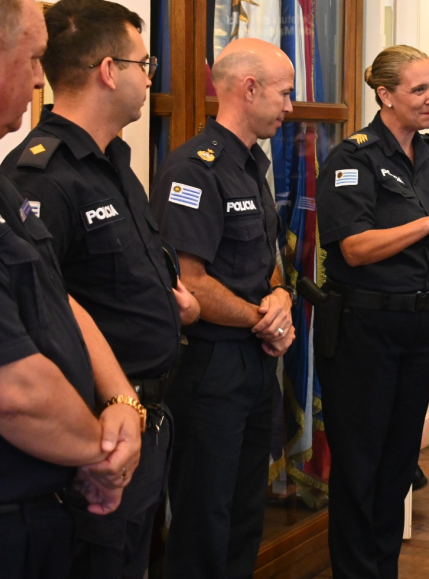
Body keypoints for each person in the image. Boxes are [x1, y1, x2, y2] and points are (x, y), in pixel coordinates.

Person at [1, 0, 200, 579]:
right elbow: (39, 316)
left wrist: (172, 307)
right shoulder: (43, 177)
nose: (148, 79)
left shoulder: (113, 163)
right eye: (146, 64)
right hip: (97, 429)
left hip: (147, 416)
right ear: (110, 71)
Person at [0, 0, 143, 579]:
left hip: (46, 505)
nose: (43, 79)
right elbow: (9, 388)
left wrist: (122, 397)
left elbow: (55, 295)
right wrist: (103, 453)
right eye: (36, 59)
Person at [315, 44, 429, 578]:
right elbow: (354, 248)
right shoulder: (353, 158)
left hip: (420, 324)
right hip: (363, 328)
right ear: (384, 94)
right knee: (360, 469)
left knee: (397, 467)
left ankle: (383, 570)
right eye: (420, 89)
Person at [150, 37, 297, 578]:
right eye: (283, 94)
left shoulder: (250, 166)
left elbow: (267, 258)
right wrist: (266, 319)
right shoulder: (194, 169)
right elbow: (191, 282)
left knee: (243, 513)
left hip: (256, 363)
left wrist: (280, 296)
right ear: (249, 88)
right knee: (203, 518)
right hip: (210, 367)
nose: (289, 107)